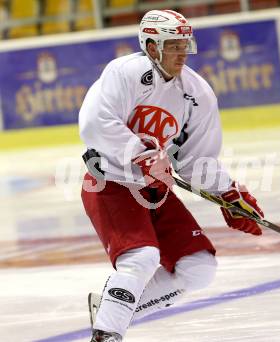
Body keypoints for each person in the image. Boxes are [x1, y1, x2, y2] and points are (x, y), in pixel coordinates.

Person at [79, 9, 264, 342]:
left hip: (153, 190)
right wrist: (141, 154)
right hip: (110, 182)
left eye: (184, 44)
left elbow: (196, 159)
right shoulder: (124, 73)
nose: (182, 53)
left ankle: (110, 307)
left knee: (198, 268)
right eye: (173, 45)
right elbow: (95, 125)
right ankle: (107, 334)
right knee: (142, 258)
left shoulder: (197, 93)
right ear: (151, 47)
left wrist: (228, 192)